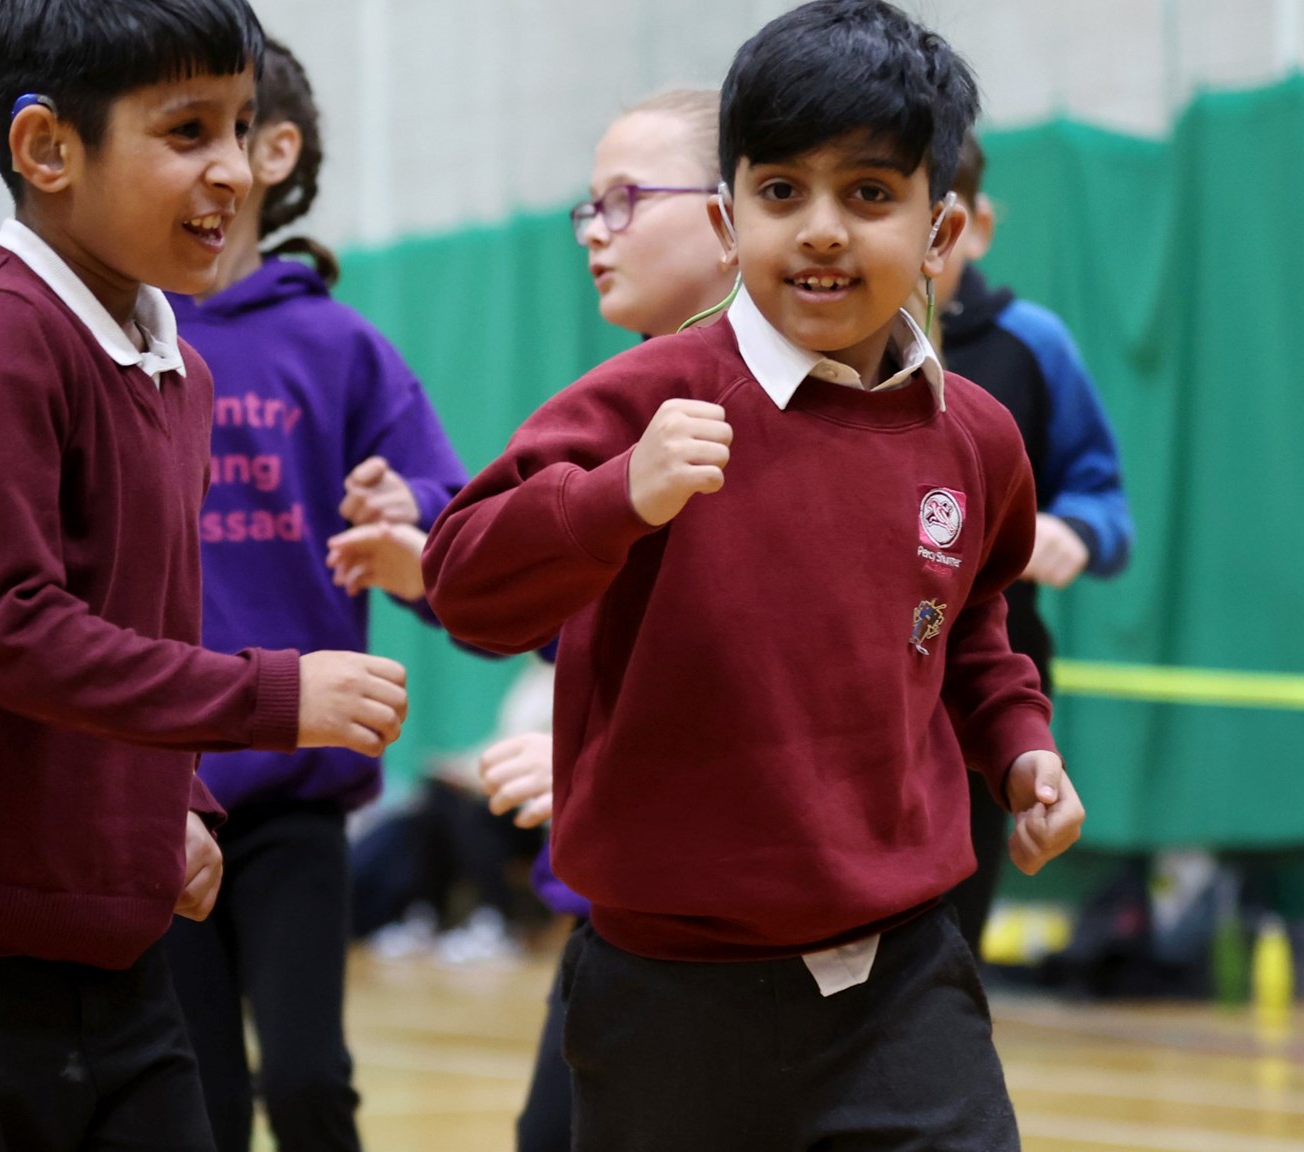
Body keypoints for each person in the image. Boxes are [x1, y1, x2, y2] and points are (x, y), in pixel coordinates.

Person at [422, 3, 1086, 1147]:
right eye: (782, 193)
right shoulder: (643, 397)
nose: (820, 231)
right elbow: (464, 588)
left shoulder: (975, 438)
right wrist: (615, 496)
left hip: (901, 982)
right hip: (666, 996)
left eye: (868, 195)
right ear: (729, 222)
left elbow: (970, 623)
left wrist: (1018, 746)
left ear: (941, 234)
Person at [0, 4, 409, 1149]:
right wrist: (271, 697)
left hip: (91, 937)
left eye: (242, 124)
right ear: (47, 150)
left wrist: (177, 797)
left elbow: (136, 628)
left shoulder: (175, 365)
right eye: (184, 131)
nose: (229, 168)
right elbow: (6, 629)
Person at [162, 37, 469, 1152]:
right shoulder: (113, 339)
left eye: (212, 127)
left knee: (303, 1080)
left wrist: (413, 511)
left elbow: (455, 537)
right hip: (149, 792)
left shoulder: (338, 346)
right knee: (190, 1103)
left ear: (273, 149)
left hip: (292, 793)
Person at [466, 88, 737, 1152]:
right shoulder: (612, 404)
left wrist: (592, 767)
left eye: (625, 201)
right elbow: (587, 624)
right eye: (587, 208)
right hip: (615, 906)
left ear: (727, 217)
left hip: (736, 936)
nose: (597, 232)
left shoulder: (774, 415)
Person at [930, 131, 1134, 953]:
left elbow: (1107, 504)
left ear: (976, 227)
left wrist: (1073, 530)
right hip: (867, 692)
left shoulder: (1033, 344)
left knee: (949, 939)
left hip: (986, 689)